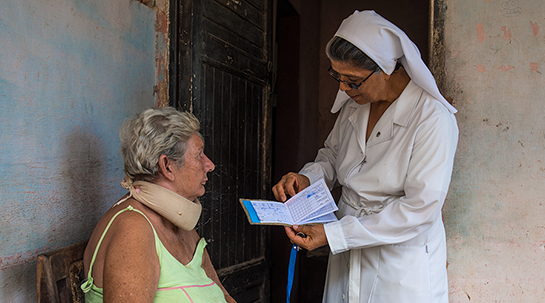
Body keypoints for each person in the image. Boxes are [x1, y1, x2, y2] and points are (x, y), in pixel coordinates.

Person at [272, 10, 458, 303]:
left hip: (398, 259)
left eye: (353, 80)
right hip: (346, 246)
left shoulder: (432, 118)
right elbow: (332, 157)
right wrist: (308, 177)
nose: (343, 88)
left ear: (386, 69)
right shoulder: (354, 107)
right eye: (337, 76)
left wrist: (337, 235)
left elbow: (421, 208)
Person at [81, 107, 236, 303]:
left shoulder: (184, 228)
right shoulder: (133, 229)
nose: (210, 165)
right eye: (199, 155)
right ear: (167, 166)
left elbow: (225, 297)